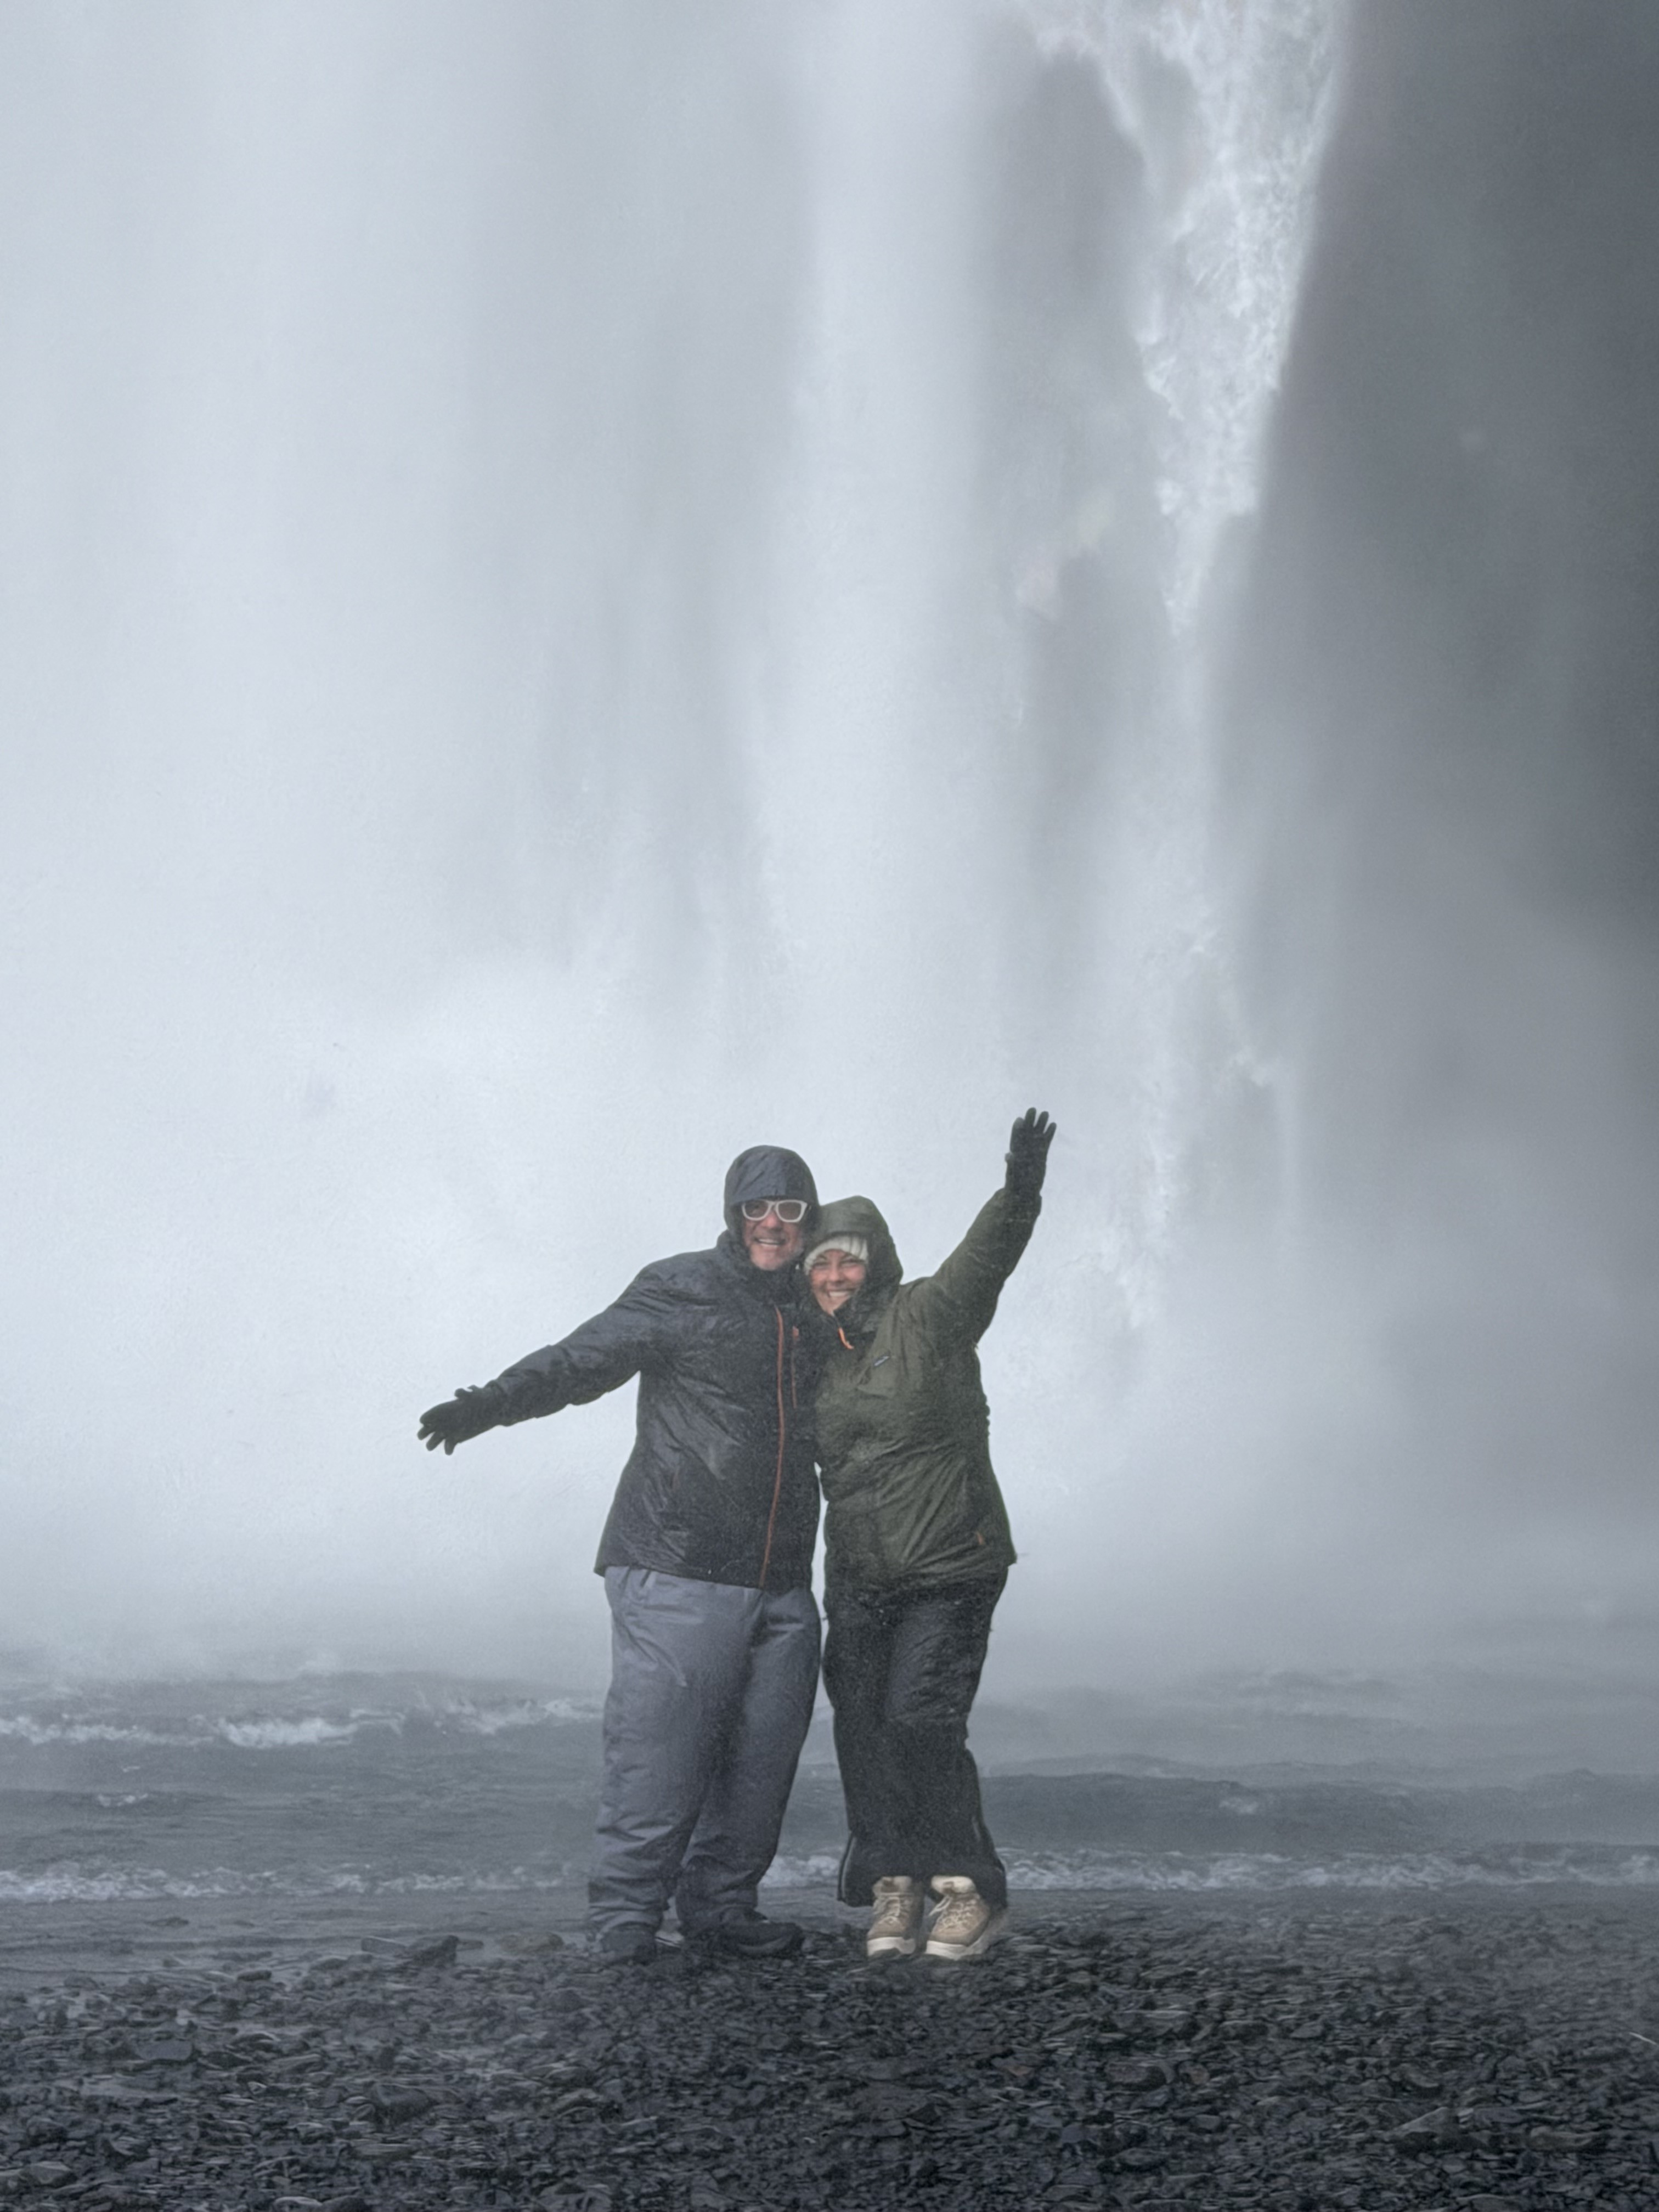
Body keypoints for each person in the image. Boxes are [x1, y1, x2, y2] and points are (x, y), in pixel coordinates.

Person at [417, 1146, 823, 1965]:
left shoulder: (819, 1307)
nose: (772, 1225)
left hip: (783, 1578)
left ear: (809, 1218)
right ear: (731, 1214)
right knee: (658, 1759)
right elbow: (584, 1360)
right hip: (677, 1561)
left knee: (760, 1766)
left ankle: (720, 1909)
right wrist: (491, 1403)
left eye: (789, 1210)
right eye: (756, 1209)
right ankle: (624, 1926)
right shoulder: (682, 1286)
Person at [803, 1109, 1055, 1963]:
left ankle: (968, 1889)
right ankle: (895, 1882)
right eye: (821, 1262)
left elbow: (988, 1261)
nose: (835, 1274)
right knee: (864, 1731)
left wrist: (1020, 1189)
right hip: (861, 1574)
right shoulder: (819, 1354)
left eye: (849, 1258)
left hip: (950, 1562)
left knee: (920, 1723)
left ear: (878, 1262)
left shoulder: (929, 1318)